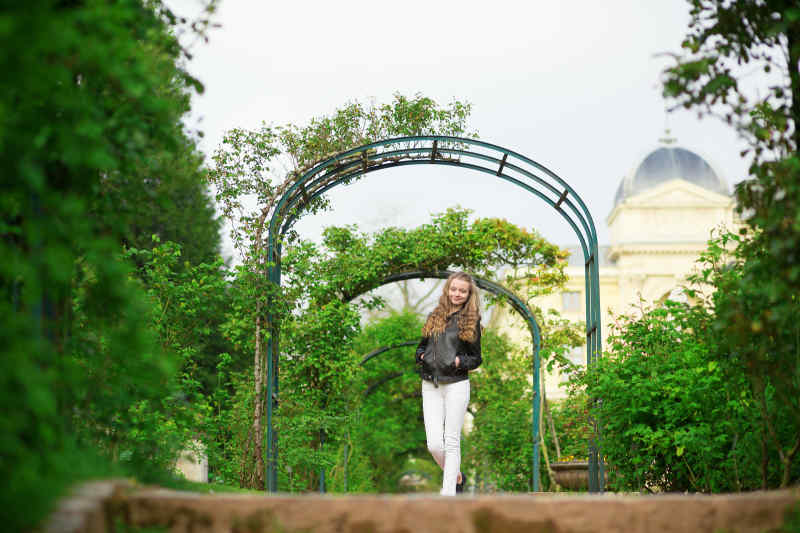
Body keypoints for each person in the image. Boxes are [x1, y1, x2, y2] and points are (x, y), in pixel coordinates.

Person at [415, 271, 482, 496]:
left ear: (469, 294)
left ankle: (448, 493)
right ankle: (457, 476)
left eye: (462, 290)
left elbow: (476, 358)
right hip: (430, 384)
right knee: (434, 444)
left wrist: (457, 361)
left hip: (456, 384)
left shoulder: (472, 320)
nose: (457, 294)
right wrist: (422, 357)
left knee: (451, 440)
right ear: (448, 289)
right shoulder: (435, 315)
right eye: (454, 289)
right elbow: (420, 347)